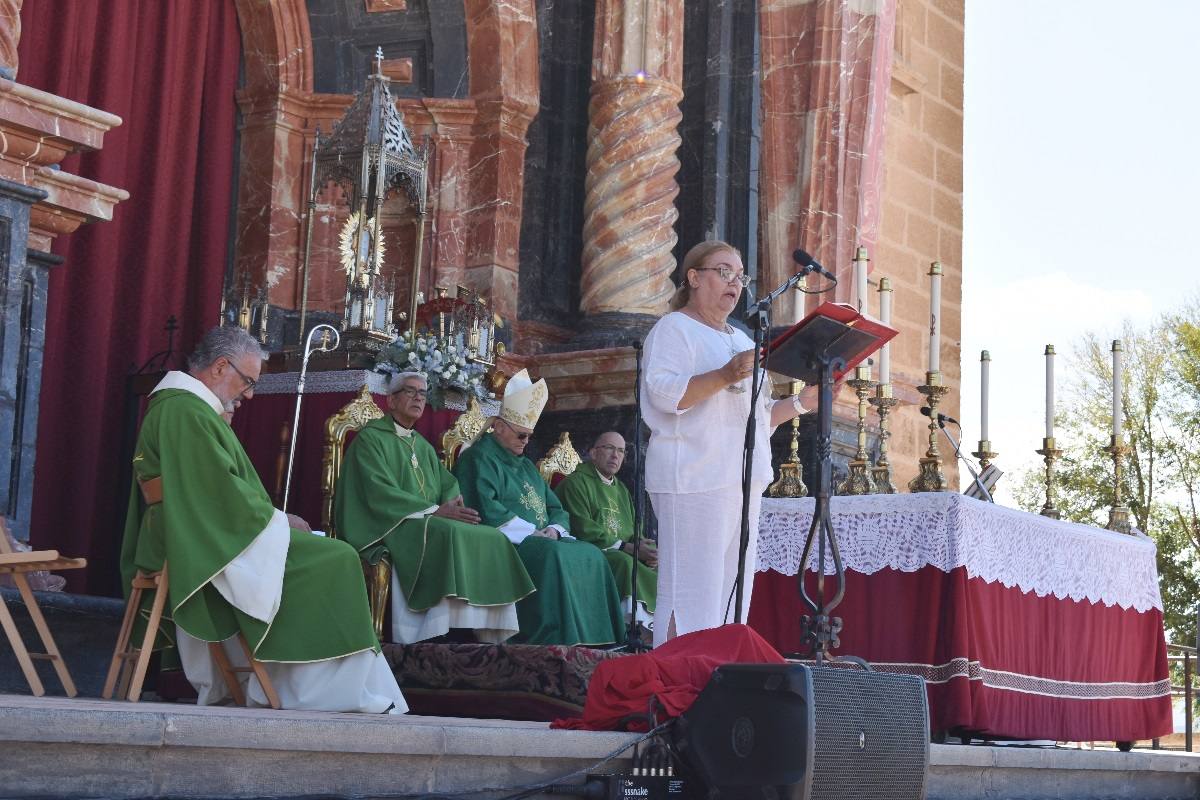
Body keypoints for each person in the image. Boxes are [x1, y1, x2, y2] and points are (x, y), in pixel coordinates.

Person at [121, 326, 406, 713]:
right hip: (204, 536)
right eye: (248, 381)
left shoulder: (187, 408)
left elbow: (212, 487)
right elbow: (214, 493)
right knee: (336, 557)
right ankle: (323, 692)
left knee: (327, 552)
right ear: (221, 367)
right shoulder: (185, 410)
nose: (250, 394)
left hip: (202, 529)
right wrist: (278, 521)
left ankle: (300, 683)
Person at [640, 240, 817, 648]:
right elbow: (666, 397)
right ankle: (671, 683)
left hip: (741, 481)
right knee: (688, 592)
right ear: (694, 277)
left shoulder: (740, 340)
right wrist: (721, 376)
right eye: (723, 272)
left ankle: (712, 679)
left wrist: (800, 404)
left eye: (740, 276)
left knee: (730, 594)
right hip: (692, 478)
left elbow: (756, 420)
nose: (734, 283)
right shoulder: (674, 329)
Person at [335, 371, 535, 644]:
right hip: (390, 525)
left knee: (493, 537)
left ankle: (484, 628)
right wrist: (433, 510)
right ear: (391, 401)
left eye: (422, 393)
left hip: (428, 519)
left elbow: (447, 484)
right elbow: (377, 491)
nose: (418, 397)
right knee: (448, 533)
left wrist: (454, 503)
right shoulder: (371, 440)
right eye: (410, 391)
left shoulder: (422, 446)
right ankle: (439, 630)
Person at [453, 369, 625, 647]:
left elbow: (556, 507)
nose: (526, 442)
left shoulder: (525, 466)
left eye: (529, 436)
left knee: (591, 553)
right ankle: (555, 639)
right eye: (521, 435)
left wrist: (555, 530)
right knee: (553, 555)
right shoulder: (478, 459)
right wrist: (534, 533)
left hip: (542, 538)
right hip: (507, 542)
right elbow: (484, 507)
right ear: (498, 426)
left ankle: (600, 640)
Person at [554, 431, 657, 632]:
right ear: (593, 453)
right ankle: (628, 628)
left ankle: (653, 629)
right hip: (592, 551)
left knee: (661, 568)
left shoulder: (621, 490)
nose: (615, 455)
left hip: (625, 550)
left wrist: (647, 551)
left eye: (621, 451)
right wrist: (627, 548)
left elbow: (635, 528)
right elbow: (581, 526)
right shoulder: (576, 483)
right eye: (609, 448)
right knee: (625, 562)